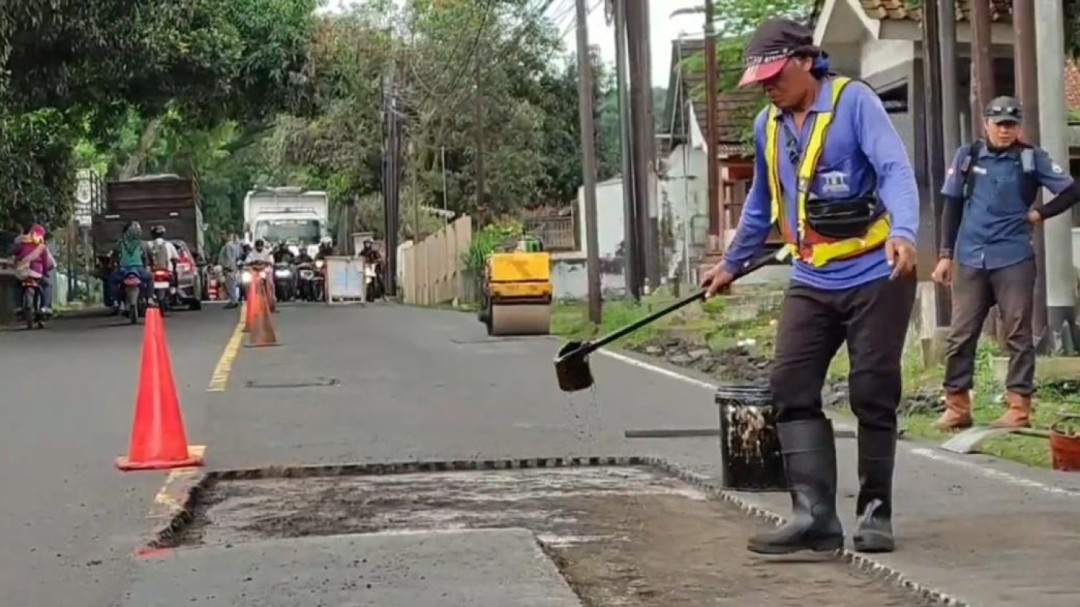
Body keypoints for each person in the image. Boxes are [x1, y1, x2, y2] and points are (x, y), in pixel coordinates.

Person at [700, 18, 919, 555]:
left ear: (805, 60)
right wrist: (731, 262)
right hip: (812, 275)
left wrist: (906, 232)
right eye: (762, 81)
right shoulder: (767, 126)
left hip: (875, 271)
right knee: (790, 388)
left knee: (872, 392)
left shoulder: (854, 102)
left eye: (777, 76)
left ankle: (875, 512)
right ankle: (815, 517)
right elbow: (759, 204)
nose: (770, 88)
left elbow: (894, 168)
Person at [932, 97, 1080, 431]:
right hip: (970, 257)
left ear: (1019, 127)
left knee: (1017, 334)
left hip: (1013, 257)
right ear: (986, 124)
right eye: (998, 124)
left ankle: (1018, 406)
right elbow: (951, 205)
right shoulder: (968, 155)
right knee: (961, 334)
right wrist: (944, 255)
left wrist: (1040, 213)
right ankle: (957, 405)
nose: (1004, 130)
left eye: (1010, 124)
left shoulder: (1031, 158)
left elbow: (1071, 191)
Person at [11, 224, 56, 316]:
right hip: (37, 273)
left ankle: (18, 306)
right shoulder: (42, 247)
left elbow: (13, 252)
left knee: (17, 285)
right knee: (47, 285)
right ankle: (45, 306)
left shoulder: (22, 243)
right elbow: (45, 263)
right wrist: (45, 272)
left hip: (23, 273)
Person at [108, 221, 152, 309]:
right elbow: (145, 258)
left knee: (112, 280)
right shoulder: (142, 244)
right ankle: (149, 298)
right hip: (138, 269)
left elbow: (114, 256)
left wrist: (112, 265)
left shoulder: (120, 243)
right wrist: (145, 266)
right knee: (150, 278)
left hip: (123, 269)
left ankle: (116, 300)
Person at [217, 233, 243, 309]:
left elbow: (229, 257)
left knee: (230, 285)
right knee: (231, 285)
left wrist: (228, 268)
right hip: (231, 267)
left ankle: (233, 301)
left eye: (223, 234)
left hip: (229, 268)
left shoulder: (228, 246)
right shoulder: (232, 245)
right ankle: (233, 300)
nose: (221, 236)